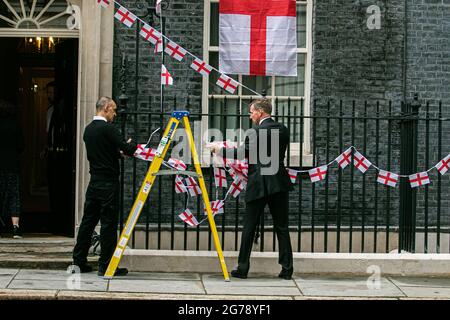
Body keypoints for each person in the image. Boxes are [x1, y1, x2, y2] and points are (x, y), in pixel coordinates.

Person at [211, 98, 294, 280]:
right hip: (279, 182)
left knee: (249, 227)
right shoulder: (283, 129)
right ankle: (287, 269)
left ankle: (242, 268)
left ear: (261, 112)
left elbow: (242, 153)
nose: (250, 116)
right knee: (282, 227)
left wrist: (219, 150)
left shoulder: (255, 132)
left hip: (258, 183)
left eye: (252, 112)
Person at [72, 97, 137, 276]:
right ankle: (106, 265)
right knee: (108, 223)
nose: (115, 114)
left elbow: (103, 152)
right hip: (108, 183)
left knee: (88, 222)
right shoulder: (108, 128)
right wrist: (130, 146)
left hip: (94, 182)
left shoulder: (88, 130)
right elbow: (127, 148)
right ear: (106, 108)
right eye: (113, 110)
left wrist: (117, 154)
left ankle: (78, 261)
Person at [0, 98, 24, 239]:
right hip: (12, 165)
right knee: (14, 195)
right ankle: (15, 227)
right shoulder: (15, 126)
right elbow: (21, 145)